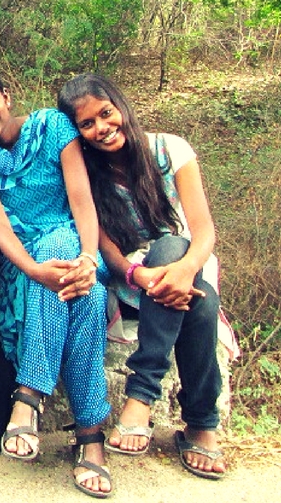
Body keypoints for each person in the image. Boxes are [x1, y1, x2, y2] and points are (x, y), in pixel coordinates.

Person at [0, 62, 113, 498]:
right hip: (22, 263)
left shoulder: (52, 126)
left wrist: (88, 258)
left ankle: (29, 397)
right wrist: (35, 269)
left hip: (76, 244)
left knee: (67, 254)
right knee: (90, 299)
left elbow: (81, 201)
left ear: (7, 94)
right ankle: (91, 438)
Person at [58, 73, 230, 480]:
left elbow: (203, 231)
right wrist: (141, 275)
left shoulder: (170, 150)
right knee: (199, 304)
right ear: (78, 132)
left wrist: (183, 270)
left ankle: (141, 394)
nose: (102, 128)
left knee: (173, 248)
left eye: (105, 113)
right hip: (133, 283)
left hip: (187, 266)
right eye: (87, 124)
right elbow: (104, 250)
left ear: (120, 106)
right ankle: (202, 425)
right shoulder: (85, 174)